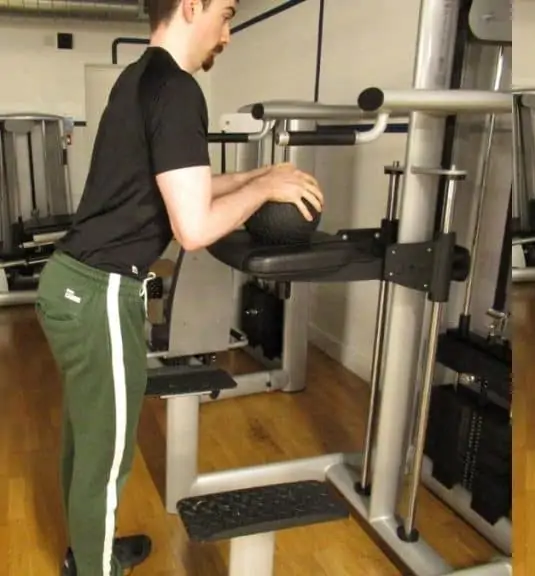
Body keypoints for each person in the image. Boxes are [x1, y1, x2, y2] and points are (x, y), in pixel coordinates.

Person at [35, 1, 325, 574]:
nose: (228, 34)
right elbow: (193, 228)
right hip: (97, 295)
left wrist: (255, 177)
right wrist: (263, 196)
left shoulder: (142, 76)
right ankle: (93, 568)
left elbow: (182, 186)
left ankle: (87, 551)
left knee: (87, 439)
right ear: (192, 4)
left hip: (72, 284)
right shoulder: (178, 90)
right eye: (227, 13)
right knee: (107, 455)